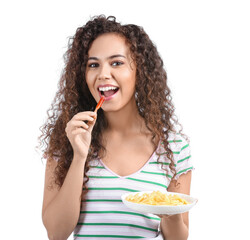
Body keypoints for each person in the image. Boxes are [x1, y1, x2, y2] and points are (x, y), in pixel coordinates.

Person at [38, 15, 193, 240]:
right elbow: (56, 232)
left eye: (116, 63)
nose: (103, 74)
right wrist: (79, 157)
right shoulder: (68, 138)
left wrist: (169, 212)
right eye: (93, 65)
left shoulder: (174, 146)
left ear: (140, 71)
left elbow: (178, 238)